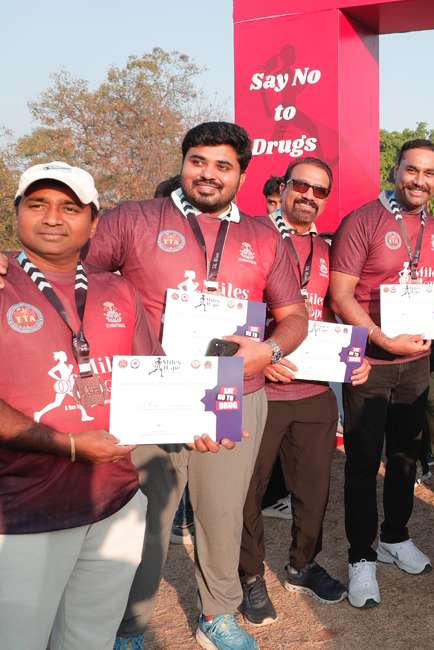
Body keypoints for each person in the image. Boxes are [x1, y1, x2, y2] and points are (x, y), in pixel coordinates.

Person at [75, 122, 308, 650]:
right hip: (152, 391)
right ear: (183, 163)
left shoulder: (264, 236)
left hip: (234, 392)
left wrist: (269, 351)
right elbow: (75, 274)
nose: (208, 174)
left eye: (223, 165)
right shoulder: (135, 218)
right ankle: (129, 624)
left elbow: (294, 316)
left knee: (223, 512)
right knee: (145, 517)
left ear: (241, 175)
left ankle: (217, 615)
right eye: (198, 161)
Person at [0, 162, 154, 650]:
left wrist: (200, 421)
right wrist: (67, 445)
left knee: (91, 638)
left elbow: (153, 375)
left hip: (115, 501)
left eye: (69, 208)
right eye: (38, 204)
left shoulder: (119, 290)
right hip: (23, 512)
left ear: (93, 222)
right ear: (17, 213)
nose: (52, 218)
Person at [237, 157, 371, 625]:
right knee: (248, 490)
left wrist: (356, 357)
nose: (309, 196)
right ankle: (250, 576)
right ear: (283, 188)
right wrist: (264, 355)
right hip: (258, 389)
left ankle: (302, 565)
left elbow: (336, 311)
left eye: (320, 191)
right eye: (301, 186)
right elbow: (230, 303)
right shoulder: (251, 236)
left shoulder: (329, 249)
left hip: (313, 391)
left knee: (314, 491)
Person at [329, 138, 434, 608]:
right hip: (370, 362)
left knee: (405, 456)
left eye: (429, 173)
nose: (419, 180)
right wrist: (382, 340)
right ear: (396, 171)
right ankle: (361, 555)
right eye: (412, 170)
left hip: (415, 363)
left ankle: (395, 535)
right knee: (364, 462)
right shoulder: (362, 221)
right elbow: (341, 295)